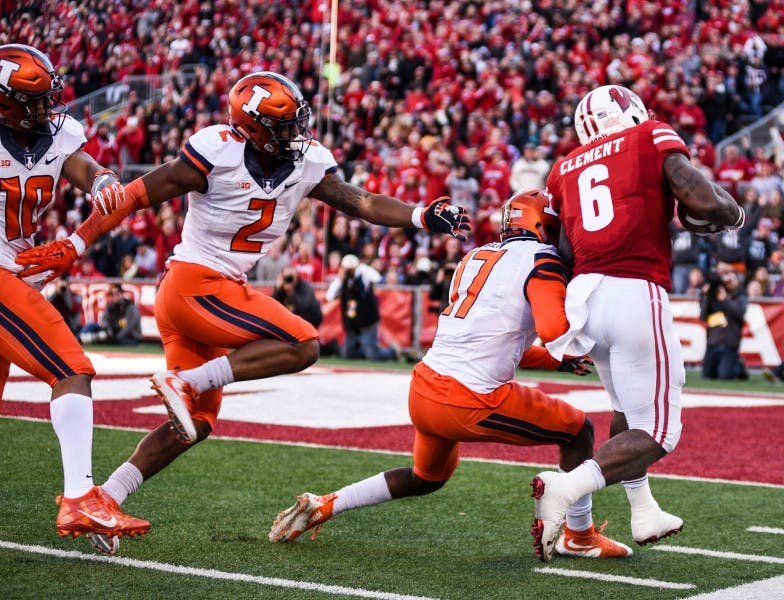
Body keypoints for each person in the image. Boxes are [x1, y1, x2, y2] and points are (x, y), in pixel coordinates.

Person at [17, 71, 470, 548]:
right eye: (284, 126)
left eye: (298, 122)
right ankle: (183, 382)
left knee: (196, 424)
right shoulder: (216, 152)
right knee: (303, 343)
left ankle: (103, 499)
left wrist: (421, 215)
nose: (296, 134)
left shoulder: (307, 162)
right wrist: (77, 241)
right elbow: (134, 196)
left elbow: (362, 202)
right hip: (196, 283)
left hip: (211, 293)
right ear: (252, 128)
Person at [269, 190, 631, 558]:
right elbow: (554, 329)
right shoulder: (544, 260)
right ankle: (579, 535)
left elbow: (491, 338)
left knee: (424, 479)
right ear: (545, 224)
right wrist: (603, 327)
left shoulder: (476, 256)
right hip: (470, 399)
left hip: (425, 388)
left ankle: (327, 503)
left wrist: (556, 360)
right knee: (578, 430)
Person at [533, 84, 744, 561]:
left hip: (585, 295)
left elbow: (563, 251)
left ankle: (643, 509)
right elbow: (702, 198)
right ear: (631, 111)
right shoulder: (649, 134)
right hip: (634, 286)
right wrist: (733, 213)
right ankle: (566, 489)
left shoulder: (564, 168)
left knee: (627, 411)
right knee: (661, 432)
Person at [0, 43, 149, 551]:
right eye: (33, 101)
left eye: (47, 98)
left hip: (16, 273)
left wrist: (103, 180)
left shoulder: (59, 133)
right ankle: (80, 497)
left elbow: (88, 171)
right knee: (70, 367)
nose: (46, 110)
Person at [331, 254, 396, 361]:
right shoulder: (343, 280)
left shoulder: (363, 276)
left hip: (367, 323)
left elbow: (377, 278)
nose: (350, 271)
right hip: (352, 325)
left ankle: (392, 352)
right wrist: (339, 278)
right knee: (347, 354)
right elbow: (330, 296)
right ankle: (364, 350)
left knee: (373, 356)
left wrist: (360, 267)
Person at [699, 267, 748, 380]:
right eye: (726, 280)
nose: (729, 283)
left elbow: (740, 313)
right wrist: (706, 295)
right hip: (713, 344)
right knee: (707, 376)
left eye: (732, 280)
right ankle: (724, 366)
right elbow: (703, 316)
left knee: (725, 376)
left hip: (729, 345)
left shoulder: (740, 297)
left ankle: (739, 367)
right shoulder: (713, 297)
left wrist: (725, 300)